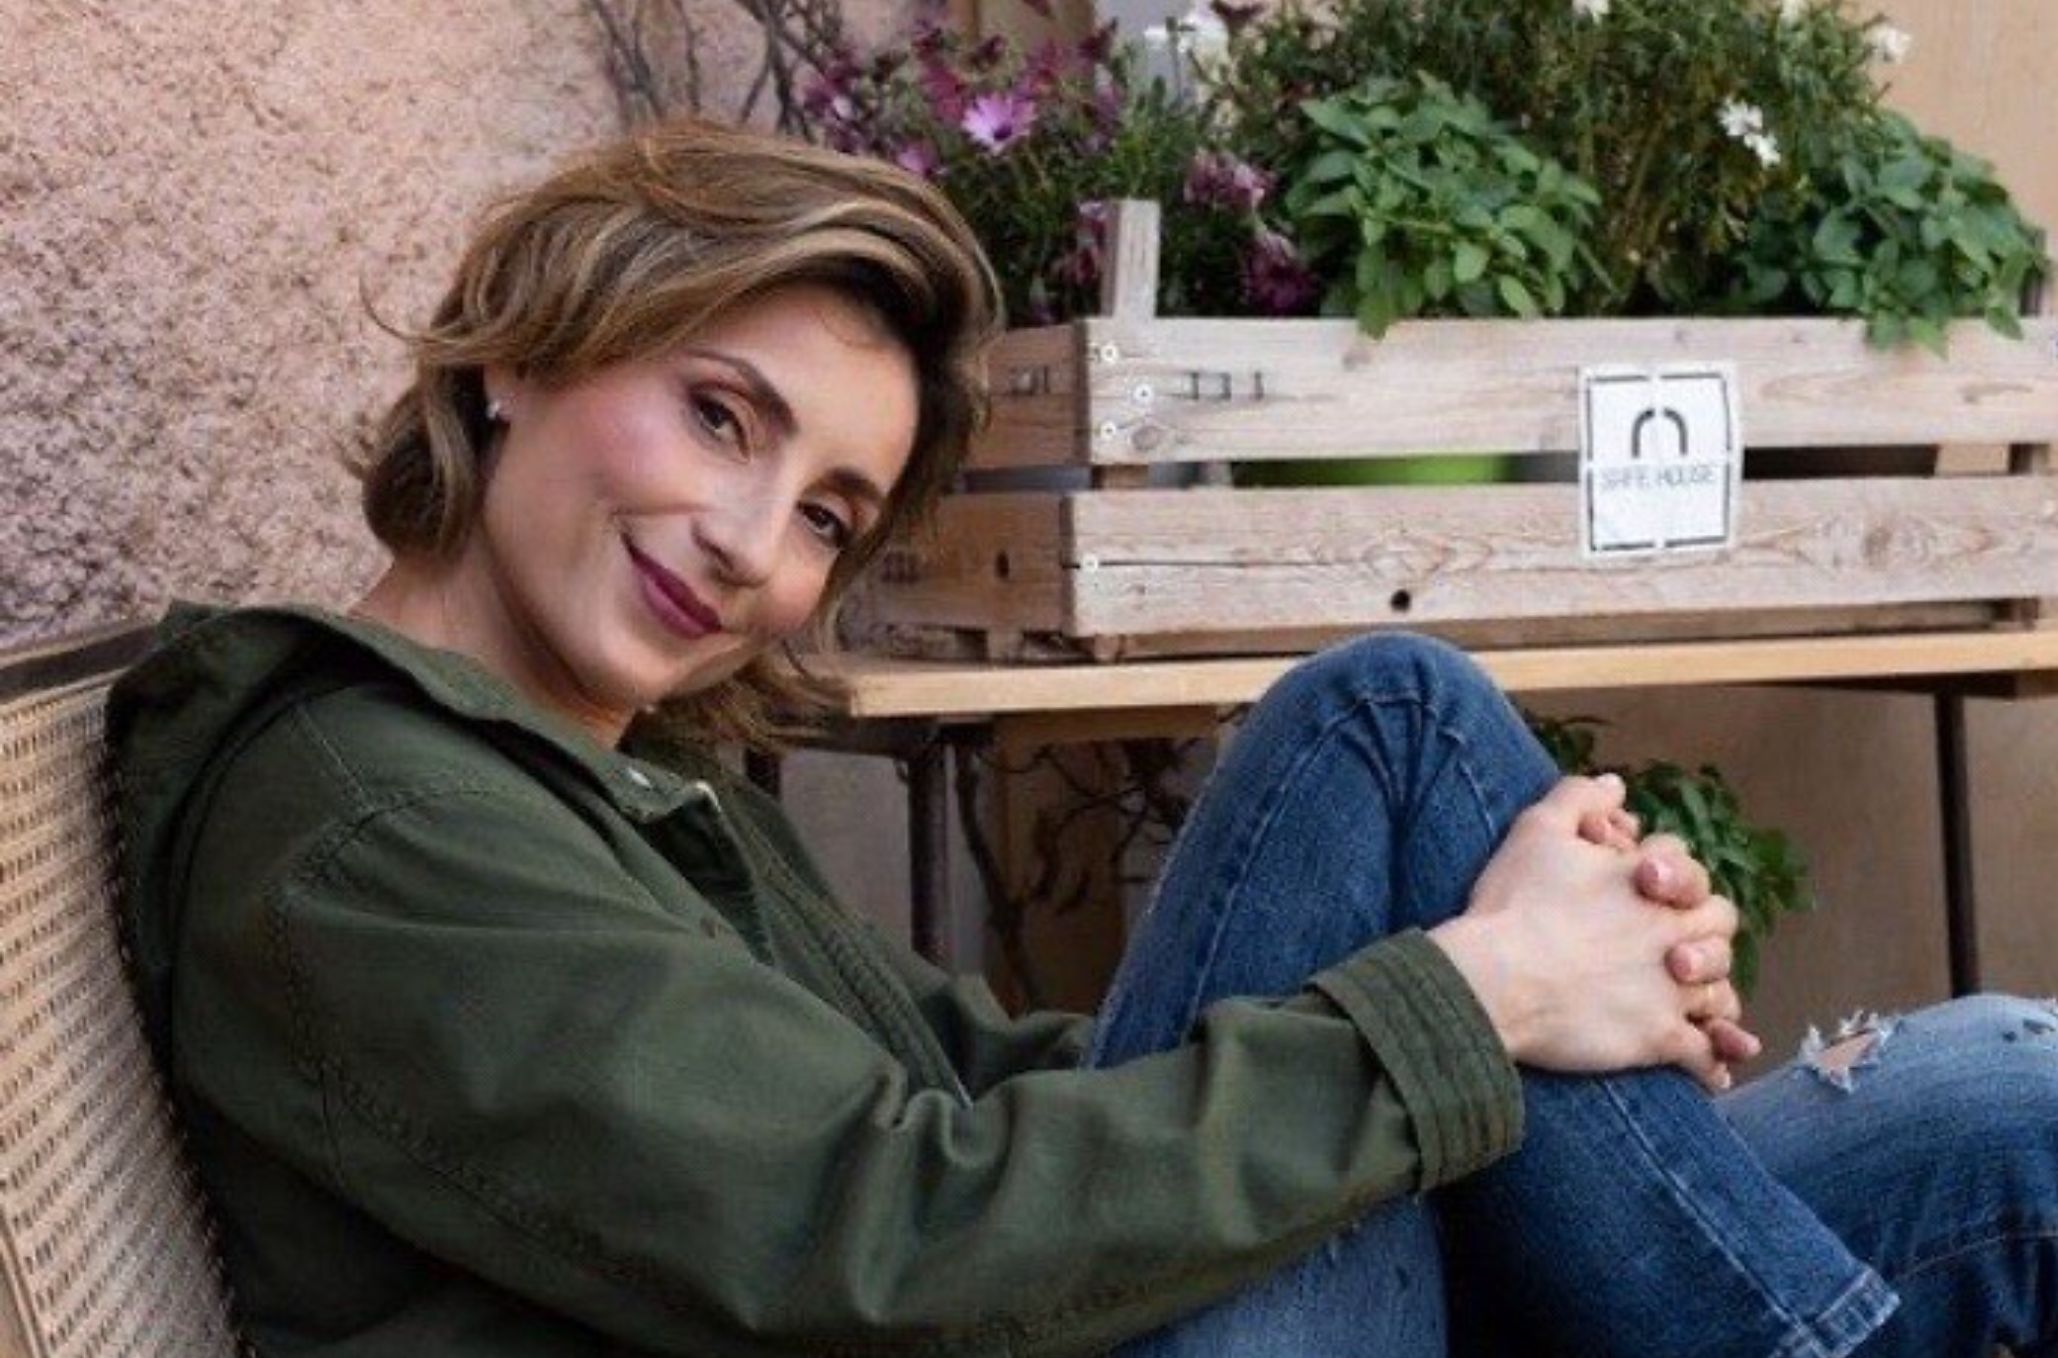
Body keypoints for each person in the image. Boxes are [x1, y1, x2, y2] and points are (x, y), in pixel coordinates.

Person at [107, 117, 2058, 1358]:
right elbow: (881, 1232)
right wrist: (1473, 999)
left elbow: (968, 1081)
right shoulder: (371, 827)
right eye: (720, 415)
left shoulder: (593, 775)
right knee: (1385, 720)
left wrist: (1522, 996)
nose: (754, 544)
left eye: (826, 514)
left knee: (2000, 1096)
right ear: (525, 349)